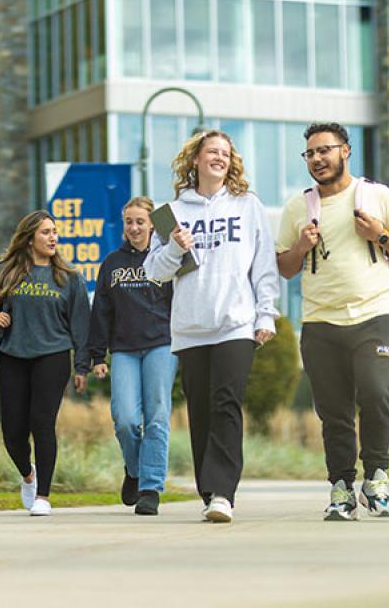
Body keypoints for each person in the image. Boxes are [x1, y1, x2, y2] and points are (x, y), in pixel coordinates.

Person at [275, 122, 389, 521]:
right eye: (310, 153)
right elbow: (284, 269)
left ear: (345, 151)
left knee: (375, 393)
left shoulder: (376, 195)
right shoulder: (297, 208)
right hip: (320, 322)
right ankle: (341, 488)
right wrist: (302, 246)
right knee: (334, 412)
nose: (318, 159)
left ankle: (376, 478)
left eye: (325, 150)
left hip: (375, 316)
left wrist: (381, 235)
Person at [144, 129, 281, 524]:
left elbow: (263, 266)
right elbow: (154, 272)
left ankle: (223, 492)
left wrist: (266, 312)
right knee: (201, 411)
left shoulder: (247, 205)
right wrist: (174, 247)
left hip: (235, 322)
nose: (219, 158)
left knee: (226, 403)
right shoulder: (172, 212)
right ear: (196, 160)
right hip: (190, 327)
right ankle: (209, 491)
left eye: (225, 153)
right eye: (211, 152)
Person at [0, 210, 91, 517]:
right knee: (12, 432)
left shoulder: (69, 278)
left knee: (42, 423)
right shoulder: (5, 271)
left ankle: (44, 496)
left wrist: (82, 367)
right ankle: (28, 474)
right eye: (45, 232)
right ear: (29, 239)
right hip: (12, 356)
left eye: (54, 231)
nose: (53, 237)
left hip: (52, 356)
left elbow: (81, 326)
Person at [84, 196, 177, 516]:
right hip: (123, 349)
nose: (134, 227)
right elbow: (101, 313)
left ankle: (150, 487)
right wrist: (97, 356)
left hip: (162, 344)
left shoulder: (166, 258)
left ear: (152, 224)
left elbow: (183, 302)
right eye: (129, 222)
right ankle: (134, 470)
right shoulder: (111, 263)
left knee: (157, 417)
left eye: (140, 221)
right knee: (124, 419)